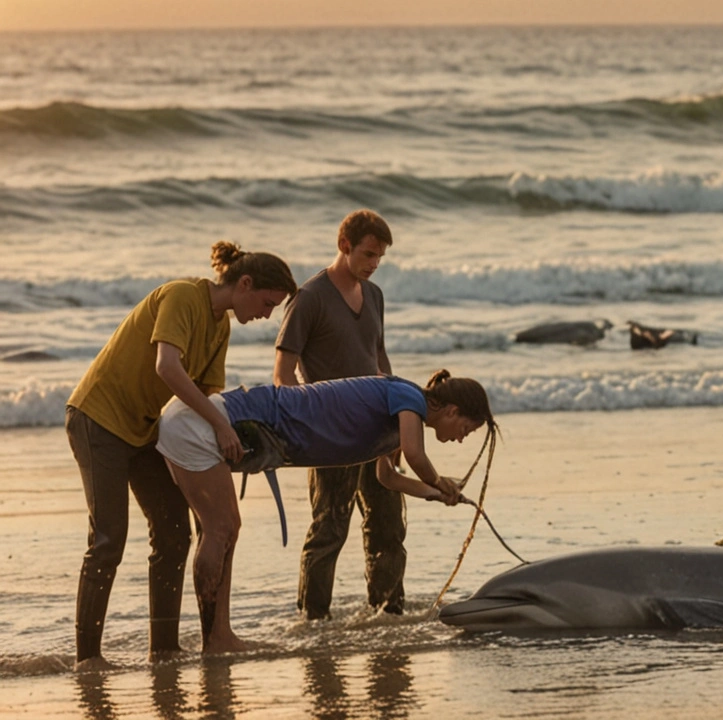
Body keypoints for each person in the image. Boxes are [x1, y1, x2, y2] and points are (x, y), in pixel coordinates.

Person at [65, 243, 296, 671]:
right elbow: (167, 368)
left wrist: (228, 442)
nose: (267, 315)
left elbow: (202, 400)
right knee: (108, 539)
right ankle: (88, 659)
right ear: (244, 284)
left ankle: (164, 649)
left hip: (145, 430)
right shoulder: (183, 295)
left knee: (175, 533)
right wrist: (222, 427)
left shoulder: (221, 328)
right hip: (98, 419)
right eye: (267, 303)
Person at [155, 370, 497, 654]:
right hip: (203, 421)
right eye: (467, 428)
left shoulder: (397, 419)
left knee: (225, 529)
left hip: (195, 421)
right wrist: (438, 480)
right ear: (451, 410)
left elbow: (388, 477)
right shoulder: (408, 398)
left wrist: (435, 494)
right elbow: (416, 455)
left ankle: (219, 638)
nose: (462, 438)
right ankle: (214, 640)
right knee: (220, 530)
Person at [273, 209, 404, 620]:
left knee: (388, 528)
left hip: (377, 429)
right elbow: (282, 374)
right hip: (331, 434)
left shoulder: (375, 295)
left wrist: (398, 421)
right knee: (329, 530)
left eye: (379, 257)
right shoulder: (309, 297)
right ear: (344, 245)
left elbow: (380, 361)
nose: (373, 264)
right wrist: (309, 429)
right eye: (368, 254)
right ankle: (314, 621)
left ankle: (389, 615)